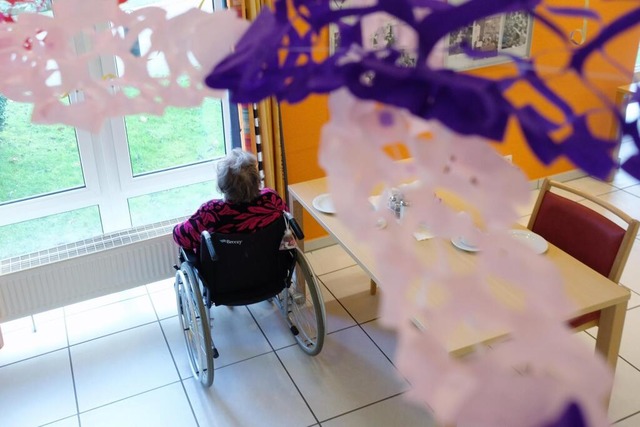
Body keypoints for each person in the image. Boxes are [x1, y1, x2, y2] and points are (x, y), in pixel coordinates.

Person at [172, 148, 287, 251]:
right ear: (256, 179)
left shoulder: (211, 211)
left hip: (226, 268)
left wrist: (177, 228)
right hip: (270, 264)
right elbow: (286, 221)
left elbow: (181, 237)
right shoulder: (271, 198)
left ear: (223, 185)